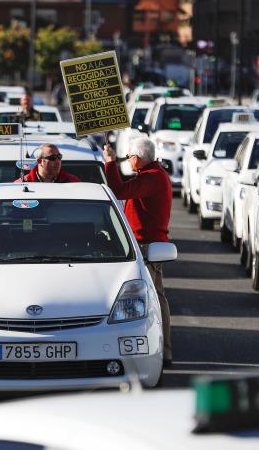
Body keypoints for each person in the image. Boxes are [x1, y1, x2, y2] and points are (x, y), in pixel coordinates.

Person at [103, 136, 173, 368]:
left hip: (147, 247)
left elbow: (118, 190)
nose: (129, 162)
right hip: (147, 245)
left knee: (149, 303)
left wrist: (110, 163)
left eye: (130, 157)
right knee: (155, 299)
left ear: (138, 158)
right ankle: (162, 350)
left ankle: (159, 351)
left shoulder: (152, 178)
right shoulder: (152, 176)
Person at [15, 144, 80, 183]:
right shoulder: (22, 183)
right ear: (39, 161)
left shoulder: (73, 181)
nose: (58, 161)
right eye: (52, 158)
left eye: (59, 157)